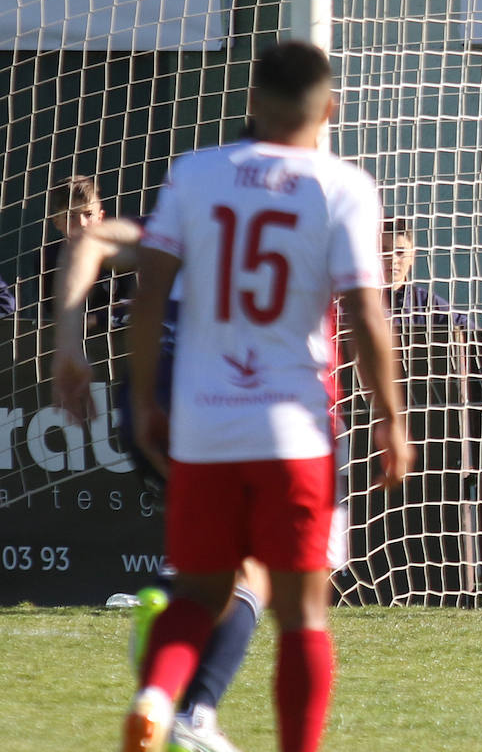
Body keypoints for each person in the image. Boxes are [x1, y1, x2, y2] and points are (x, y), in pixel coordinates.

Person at [119, 41, 410, 752]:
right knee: (305, 614)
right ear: (330, 108)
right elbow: (368, 317)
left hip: (206, 423)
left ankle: (157, 697)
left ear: (250, 101)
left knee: (197, 594)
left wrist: (141, 398)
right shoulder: (343, 185)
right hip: (294, 430)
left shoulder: (194, 174)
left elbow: (150, 294)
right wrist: (392, 419)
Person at [51, 214, 265, 752]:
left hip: (151, 403)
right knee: (250, 570)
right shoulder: (281, 218)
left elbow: (91, 238)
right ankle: (193, 709)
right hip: (225, 405)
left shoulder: (189, 218)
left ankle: (168, 660)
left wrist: (70, 344)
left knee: (210, 562)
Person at [42, 174, 132, 328]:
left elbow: (138, 306)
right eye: (71, 216)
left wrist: (97, 320)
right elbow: (53, 311)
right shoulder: (48, 257)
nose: (82, 223)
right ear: (56, 222)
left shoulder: (120, 254)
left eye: (88, 214)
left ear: (100, 217)